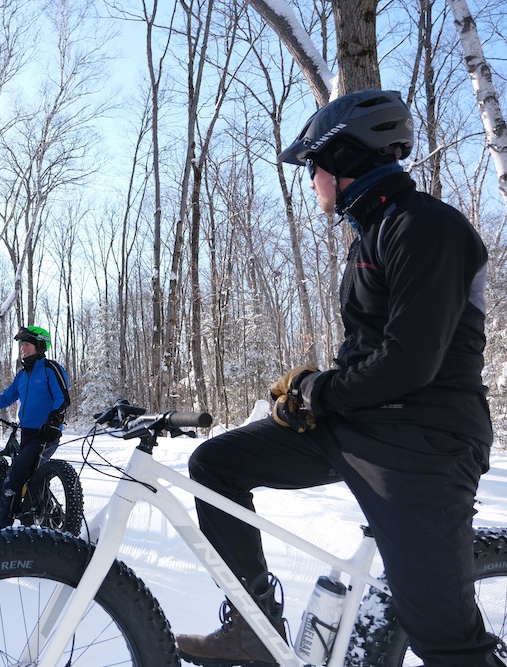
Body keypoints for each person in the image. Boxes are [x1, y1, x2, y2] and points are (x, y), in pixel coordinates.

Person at [175, 89, 497, 667]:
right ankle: (255, 631)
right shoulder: (370, 236)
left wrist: (318, 391)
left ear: (346, 159)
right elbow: (373, 357)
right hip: (361, 426)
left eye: (314, 165)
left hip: (423, 443)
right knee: (214, 466)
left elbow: (410, 361)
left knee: (446, 642)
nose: (311, 180)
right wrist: (313, 394)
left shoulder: (426, 228)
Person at [0, 326, 71, 528]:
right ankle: (50, 513)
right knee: (29, 476)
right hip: (27, 433)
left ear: (40, 346)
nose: (23, 348)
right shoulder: (22, 376)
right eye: (22, 345)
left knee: (16, 474)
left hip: (46, 433)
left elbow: (62, 398)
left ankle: (0, 528)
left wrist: (54, 421)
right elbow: (6, 398)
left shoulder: (50, 369)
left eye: (27, 344)